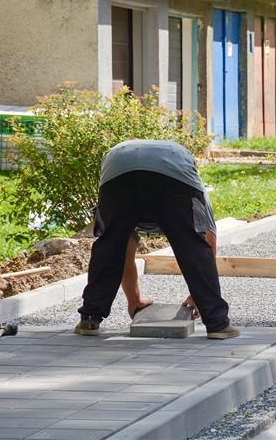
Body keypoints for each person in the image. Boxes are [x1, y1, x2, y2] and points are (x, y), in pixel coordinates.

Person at [75, 139, 238, 339]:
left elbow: (121, 254)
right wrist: (200, 296)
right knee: (191, 244)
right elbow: (206, 245)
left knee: (110, 245)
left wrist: (133, 301)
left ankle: (90, 318)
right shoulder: (193, 191)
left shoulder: (131, 213)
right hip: (171, 173)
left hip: (118, 169)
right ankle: (217, 325)